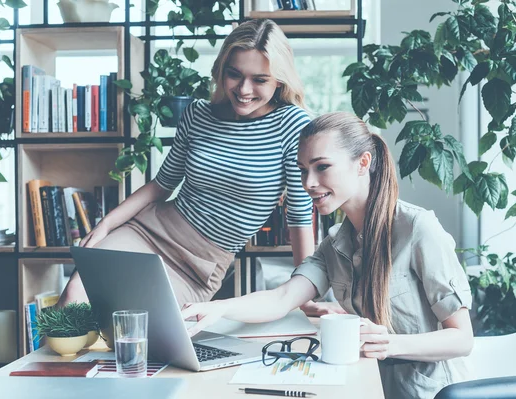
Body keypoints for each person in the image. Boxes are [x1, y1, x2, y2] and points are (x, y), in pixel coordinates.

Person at [58, 19, 344, 316]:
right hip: (148, 232)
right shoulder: (197, 114)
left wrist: (304, 294)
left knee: (152, 333)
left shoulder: (293, 126)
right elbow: (161, 184)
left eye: (260, 79)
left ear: (280, 81)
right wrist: (106, 225)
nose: (244, 89)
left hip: (201, 265)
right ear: (222, 70)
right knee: (74, 296)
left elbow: (298, 215)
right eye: (235, 75)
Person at [181, 112, 474, 398]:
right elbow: (281, 298)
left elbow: (462, 339)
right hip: (365, 384)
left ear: (363, 163)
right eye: (302, 169)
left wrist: (390, 344)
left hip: (427, 391)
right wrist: (218, 308)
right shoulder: (334, 244)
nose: (308, 182)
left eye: (322, 167)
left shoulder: (417, 228)